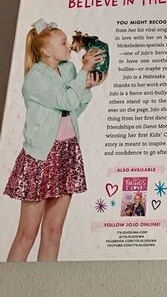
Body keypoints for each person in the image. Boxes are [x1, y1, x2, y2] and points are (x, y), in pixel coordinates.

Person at [4, 19, 106, 261]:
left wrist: (87, 87)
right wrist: (84, 72)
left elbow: (72, 110)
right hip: (41, 157)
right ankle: (10, 281)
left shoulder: (67, 70)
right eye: (62, 42)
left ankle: (45, 281)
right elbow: (66, 100)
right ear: (46, 50)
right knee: (27, 234)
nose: (69, 46)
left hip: (67, 153)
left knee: (54, 232)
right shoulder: (35, 78)